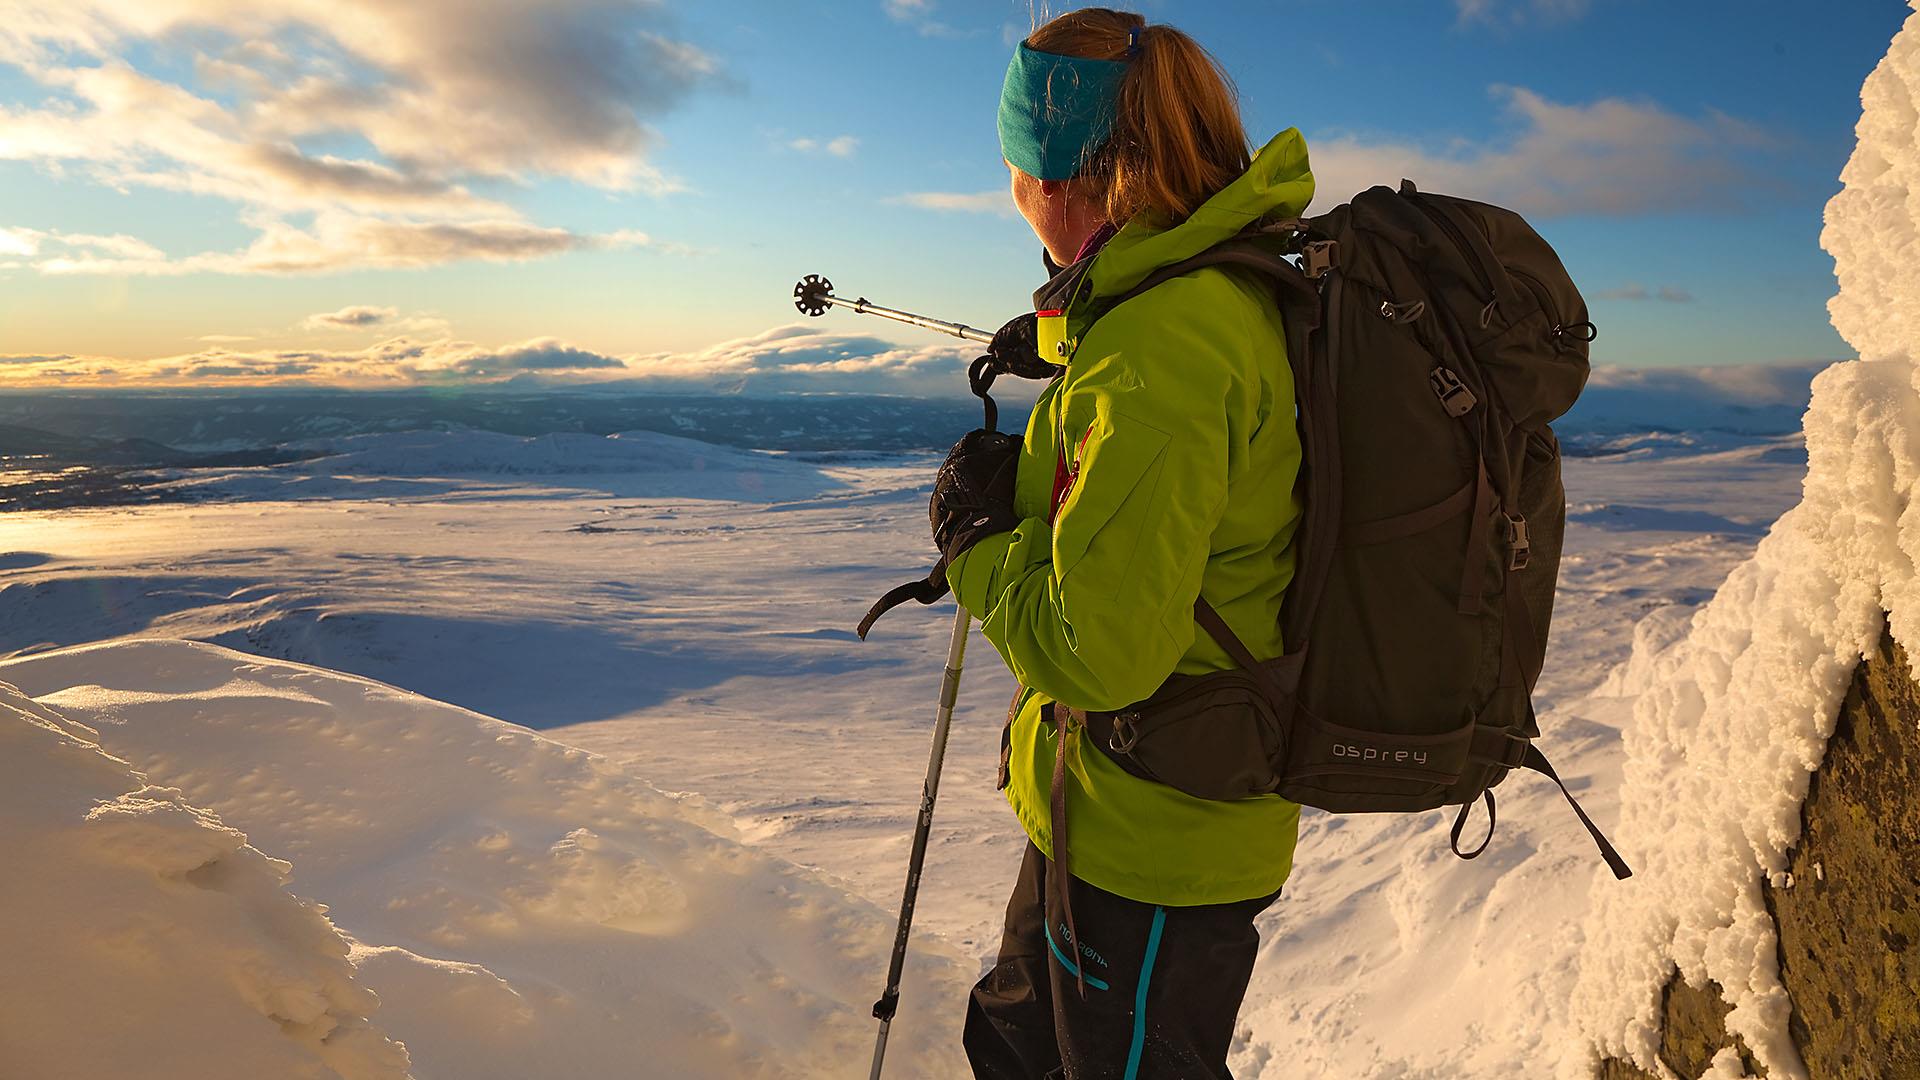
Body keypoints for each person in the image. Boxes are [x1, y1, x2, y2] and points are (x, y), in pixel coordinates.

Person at [925, 7, 1314, 1079]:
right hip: (1105, 813)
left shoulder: (1160, 348)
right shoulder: (1193, 295)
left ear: (1055, 180)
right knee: (1013, 1043)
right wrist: (1068, 336)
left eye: (1015, 167)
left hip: (1156, 844)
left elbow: (1101, 652)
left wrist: (975, 545)